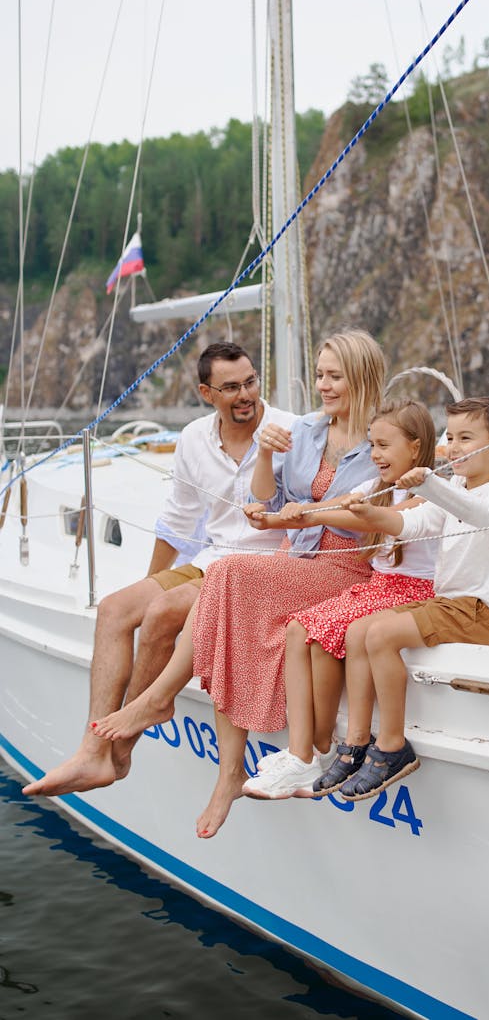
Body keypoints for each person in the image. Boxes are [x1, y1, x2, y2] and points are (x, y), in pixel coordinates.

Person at [91, 328, 386, 838]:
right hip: (300, 558)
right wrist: (269, 461)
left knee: (228, 574)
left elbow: (373, 513)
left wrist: (301, 515)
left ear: (361, 377)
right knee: (229, 598)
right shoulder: (310, 431)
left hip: (347, 566)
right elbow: (267, 505)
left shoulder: (381, 437)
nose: (324, 385)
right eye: (320, 374)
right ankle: (227, 773)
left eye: (334, 376)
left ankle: (162, 700)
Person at [23, 341, 296, 798]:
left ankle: (129, 733)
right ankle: (94, 752)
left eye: (250, 382)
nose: (245, 394)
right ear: (207, 393)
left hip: (260, 567)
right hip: (211, 557)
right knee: (115, 608)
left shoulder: (289, 431)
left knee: (163, 612)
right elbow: (178, 520)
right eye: (231, 387)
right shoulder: (193, 438)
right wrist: (148, 583)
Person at [333, 397, 489, 801]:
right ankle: (356, 739)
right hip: (450, 605)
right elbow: (413, 524)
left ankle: (391, 746)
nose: (454, 447)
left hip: (482, 614)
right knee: (358, 632)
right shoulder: (455, 487)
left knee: (381, 636)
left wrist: (428, 484)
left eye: (466, 437)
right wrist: (369, 512)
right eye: (451, 436)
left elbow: (480, 514)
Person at [244, 400, 437, 799]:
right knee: (299, 627)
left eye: (384, 445)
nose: (375, 455)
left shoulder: (428, 492)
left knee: (320, 628)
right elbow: (330, 506)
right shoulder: (375, 488)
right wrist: (271, 518)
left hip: (412, 592)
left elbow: (362, 517)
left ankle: (322, 747)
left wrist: (315, 514)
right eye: (372, 446)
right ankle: (309, 750)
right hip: (380, 587)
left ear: (415, 448)